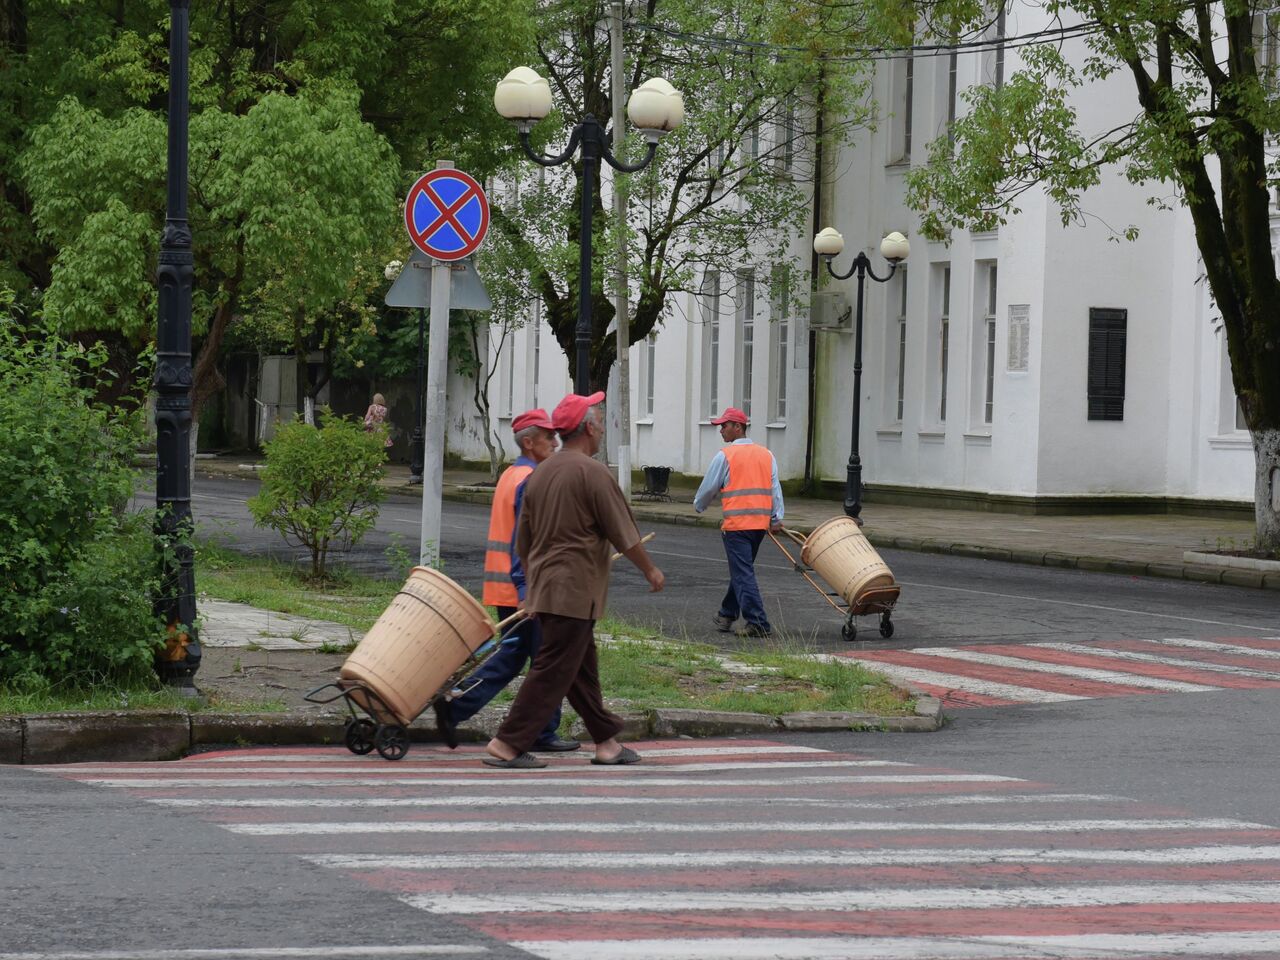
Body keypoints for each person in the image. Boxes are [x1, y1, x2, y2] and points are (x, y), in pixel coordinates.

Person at [483, 391, 665, 770]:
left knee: (580, 669)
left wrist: (530, 586)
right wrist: (650, 569)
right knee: (552, 669)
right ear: (588, 429)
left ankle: (606, 742)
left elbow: (523, 541)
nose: (602, 430)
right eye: (600, 423)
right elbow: (624, 532)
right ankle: (508, 743)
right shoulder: (592, 472)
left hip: (549, 588)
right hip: (575, 590)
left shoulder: (541, 472)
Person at [432, 409, 579, 752]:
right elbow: (522, 540)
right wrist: (527, 589)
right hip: (524, 589)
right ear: (529, 442)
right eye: (548, 437)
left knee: (514, 656)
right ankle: (540, 731)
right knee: (548, 660)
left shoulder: (511, 474)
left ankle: (458, 707)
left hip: (506, 587)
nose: (556, 442)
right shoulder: (529, 480)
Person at [693, 406, 785, 638]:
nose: (721, 430)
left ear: (738, 427)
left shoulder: (726, 455)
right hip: (759, 527)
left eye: (725, 425)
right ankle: (727, 614)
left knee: (743, 573)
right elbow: (775, 489)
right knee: (742, 570)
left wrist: (699, 505)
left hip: (737, 526)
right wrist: (776, 518)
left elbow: (709, 487)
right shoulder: (767, 454)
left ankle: (757, 622)